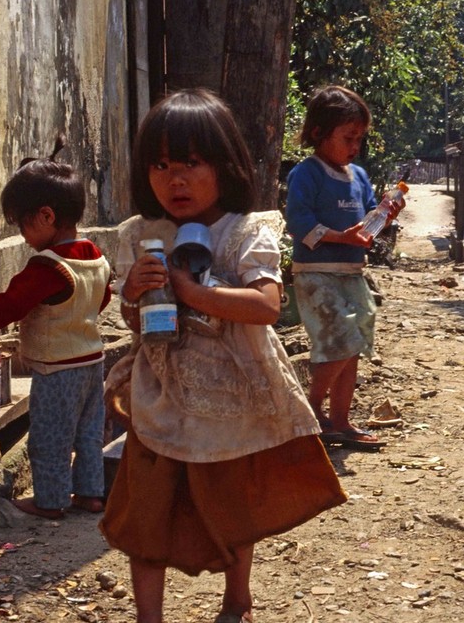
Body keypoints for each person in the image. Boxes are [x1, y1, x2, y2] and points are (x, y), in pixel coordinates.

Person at [102, 89, 346, 623]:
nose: (175, 180)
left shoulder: (243, 231)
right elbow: (134, 323)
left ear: (226, 165)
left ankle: (237, 603)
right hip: (160, 395)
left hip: (229, 397)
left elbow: (265, 305)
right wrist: (132, 296)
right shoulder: (141, 235)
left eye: (190, 163)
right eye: (160, 165)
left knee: (230, 507)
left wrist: (191, 292)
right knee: (146, 512)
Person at [0, 141, 112, 520]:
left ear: (46, 216)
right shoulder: (95, 256)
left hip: (57, 368)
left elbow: (11, 303)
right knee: (88, 434)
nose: (22, 236)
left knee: (50, 438)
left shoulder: (47, 267)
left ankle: (50, 500)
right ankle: (91, 494)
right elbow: (102, 300)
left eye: (22, 224)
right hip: (93, 363)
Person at [284, 85, 403, 452]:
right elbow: (299, 223)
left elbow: (367, 222)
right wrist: (341, 236)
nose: (354, 147)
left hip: (351, 273)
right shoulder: (307, 174)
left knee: (354, 345)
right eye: (348, 138)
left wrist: (384, 214)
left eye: (359, 139)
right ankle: (310, 410)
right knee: (338, 342)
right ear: (319, 133)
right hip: (316, 273)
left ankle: (339, 421)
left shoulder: (359, 176)